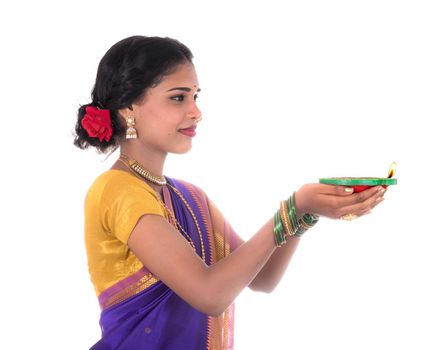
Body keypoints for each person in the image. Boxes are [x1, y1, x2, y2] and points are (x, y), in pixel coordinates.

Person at [74, 35, 387, 350]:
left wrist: (304, 214)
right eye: (178, 98)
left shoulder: (190, 197)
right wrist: (292, 208)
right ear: (129, 108)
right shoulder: (116, 191)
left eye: (196, 96)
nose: (196, 112)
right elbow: (209, 295)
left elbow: (262, 279)